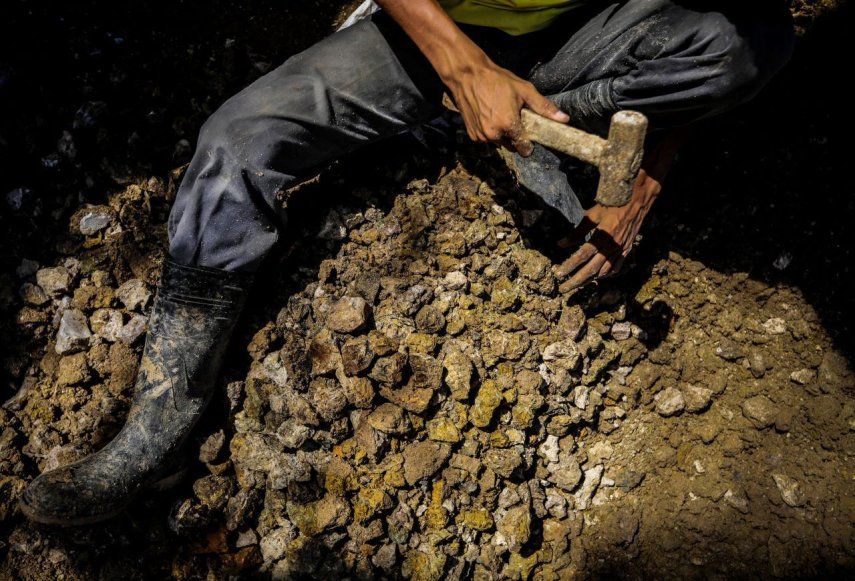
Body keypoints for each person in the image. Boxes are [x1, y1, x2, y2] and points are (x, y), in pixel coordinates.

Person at [20, 0, 794, 525]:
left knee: (744, 47)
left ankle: (498, 118)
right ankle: (157, 432)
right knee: (235, 145)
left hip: (592, 29)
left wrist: (641, 179)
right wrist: (462, 69)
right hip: (433, 25)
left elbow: (743, 21)